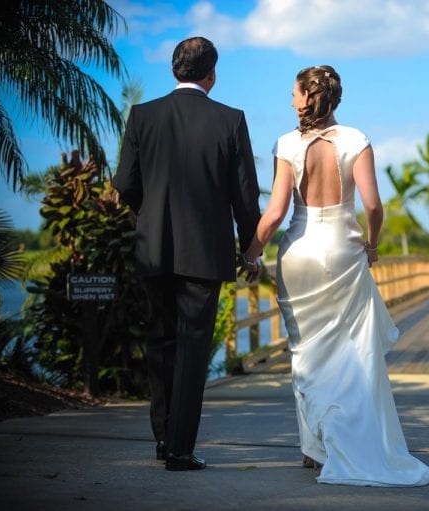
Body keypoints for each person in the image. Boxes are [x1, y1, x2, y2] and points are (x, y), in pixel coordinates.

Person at [242, 65, 429, 486]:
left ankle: (314, 449)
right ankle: (345, 443)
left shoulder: (287, 144)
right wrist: (371, 245)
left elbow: (276, 213)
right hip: (343, 250)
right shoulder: (357, 140)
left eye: (293, 93)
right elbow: (373, 206)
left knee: (305, 351)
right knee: (350, 354)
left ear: (308, 97)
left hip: (299, 252)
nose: (290, 100)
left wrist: (251, 253)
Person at [113, 36, 261, 471]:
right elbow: (245, 197)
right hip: (205, 253)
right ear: (211, 75)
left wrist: (151, 214)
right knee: (194, 348)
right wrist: (251, 250)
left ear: (173, 70)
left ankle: (163, 439)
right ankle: (180, 448)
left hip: (153, 249)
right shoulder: (230, 120)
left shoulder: (143, 116)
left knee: (160, 343)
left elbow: (125, 183)